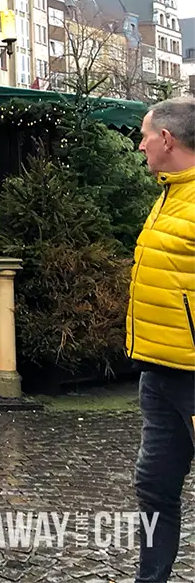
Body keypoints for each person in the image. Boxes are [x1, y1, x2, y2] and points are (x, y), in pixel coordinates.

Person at [128, 97, 195, 583]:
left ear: (167, 139)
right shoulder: (169, 194)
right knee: (154, 489)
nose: (141, 143)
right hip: (159, 372)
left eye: (146, 134)